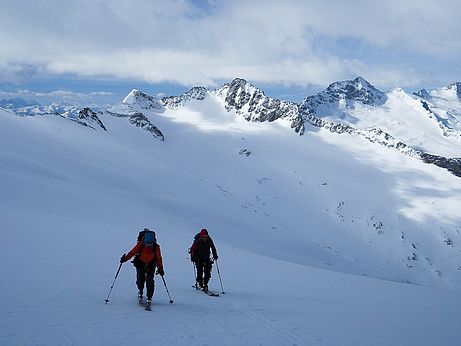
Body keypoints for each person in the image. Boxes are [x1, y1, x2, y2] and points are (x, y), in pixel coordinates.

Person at [120, 228, 164, 309]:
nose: (149, 245)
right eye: (147, 243)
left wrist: (160, 268)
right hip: (140, 262)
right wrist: (125, 259)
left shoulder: (156, 247)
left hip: (151, 263)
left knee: (150, 280)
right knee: (140, 279)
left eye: (150, 244)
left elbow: (158, 258)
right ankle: (140, 291)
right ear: (144, 241)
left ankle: (149, 297)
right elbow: (132, 252)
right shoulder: (140, 245)